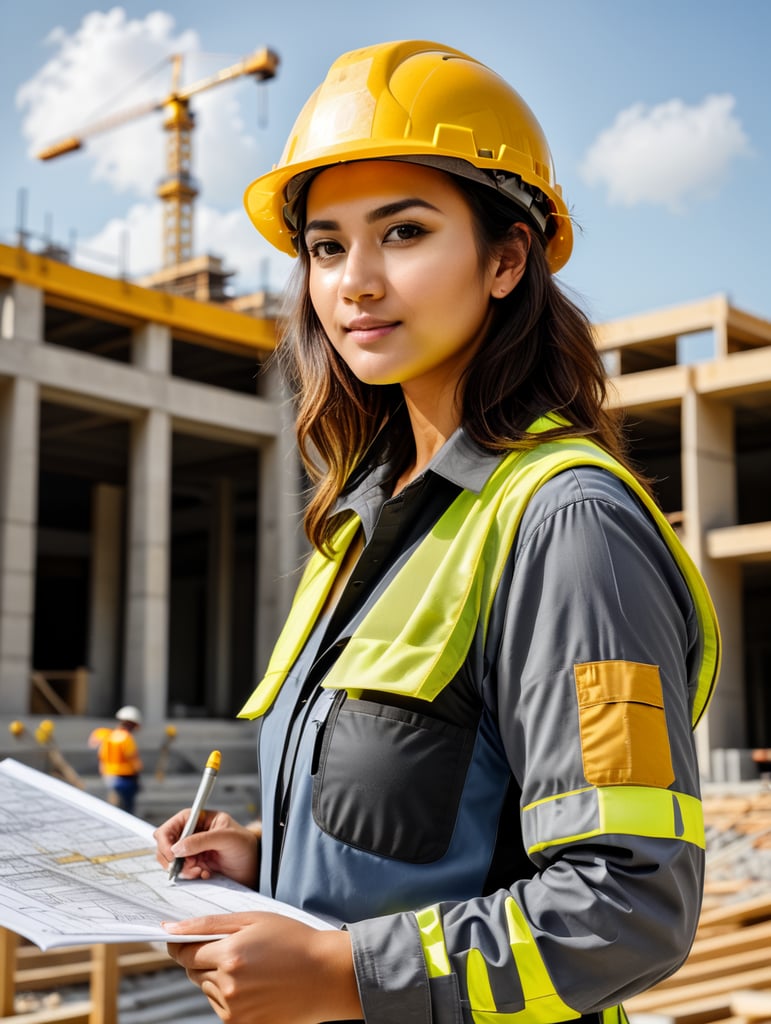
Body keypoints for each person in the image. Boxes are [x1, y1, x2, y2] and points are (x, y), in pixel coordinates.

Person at [153, 39, 721, 1024]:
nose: (355, 282)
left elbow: (630, 905)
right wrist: (271, 855)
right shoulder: (365, 525)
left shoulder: (567, 525)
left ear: (506, 259)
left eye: (404, 232)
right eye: (326, 247)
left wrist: (344, 973)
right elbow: (436, 827)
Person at [89, 705, 143, 814]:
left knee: (114, 807)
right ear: (132, 724)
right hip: (126, 778)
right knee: (127, 809)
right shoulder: (126, 738)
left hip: (109, 776)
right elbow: (133, 760)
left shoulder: (109, 735)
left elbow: (101, 755)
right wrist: (138, 774)